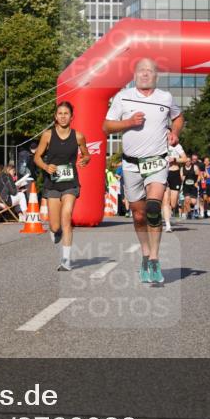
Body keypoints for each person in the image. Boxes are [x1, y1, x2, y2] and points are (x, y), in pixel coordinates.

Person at [104, 58, 184, 284]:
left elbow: (178, 117)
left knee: (152, 208)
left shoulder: (165, 98)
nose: (145, 74)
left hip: (157, 162)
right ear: (135, 74)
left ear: (156, 75)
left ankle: (156, 259)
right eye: (141, 70)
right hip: (131, 165)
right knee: (139, 216)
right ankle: (146, 255)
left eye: (150, 71)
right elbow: (106, 126)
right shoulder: (123, 97)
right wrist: (128, 122)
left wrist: (175, 132)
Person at [35, 101, 91, 270]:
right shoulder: (48, 135)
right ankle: (56, 231)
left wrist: (85, 160)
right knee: (54, 225)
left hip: (70, 183)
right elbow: (37, 157)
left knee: (66, 216)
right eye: (60, 113)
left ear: (71, 117)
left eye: (66, 113)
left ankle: (66, 261)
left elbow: (87, 154)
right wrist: (46, 167)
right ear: (55, 117)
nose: (63, 116)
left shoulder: (78, 136)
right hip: (52, 183)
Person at [162, 142, 186, 232]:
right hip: (164, 173)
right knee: (165, 200)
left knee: (173, 203)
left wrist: (174, 159)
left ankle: (169, 211)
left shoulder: (177, 146)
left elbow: (185, 159)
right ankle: (168, 225)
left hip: (175, 173)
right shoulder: (160, 144)